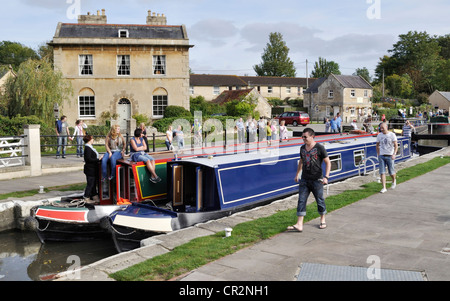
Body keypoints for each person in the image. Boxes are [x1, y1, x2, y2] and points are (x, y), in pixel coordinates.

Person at [287, 128, 331, 232]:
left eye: (305, 137)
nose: (303, 139)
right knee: (301, 200)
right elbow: (301, 162)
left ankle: (322, 219)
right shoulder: (302, 148)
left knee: (319, 200)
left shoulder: (320, 148)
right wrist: (297, 174)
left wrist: (326, 177)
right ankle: (299, 224)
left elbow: (328, 162)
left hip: (317, 179)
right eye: (302, 137)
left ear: (312, 136)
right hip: (305, 179)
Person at [376, 123, 398, 193]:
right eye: (380, 128)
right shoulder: (379, 135)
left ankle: (394, 180)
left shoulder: (392, 135)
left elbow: (396, 145)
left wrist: (394, 154)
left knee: (391, 172)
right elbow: (377, 145)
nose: (381, 129)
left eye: (382, 128)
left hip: (390, 155)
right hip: (382, 155)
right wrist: (378, 154)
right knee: (382, 172)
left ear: (386, 127)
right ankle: (384, 188)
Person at [83, 135, 103, 204]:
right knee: (90, 183)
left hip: (93, 169)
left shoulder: (89, 147)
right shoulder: (88, 148)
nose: (93, 140)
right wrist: (98, 159)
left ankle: (94, 195)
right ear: (89, 140)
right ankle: (86, 197)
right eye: (92, 138)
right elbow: (88, 159)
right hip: (90, 169)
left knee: (93, 183)